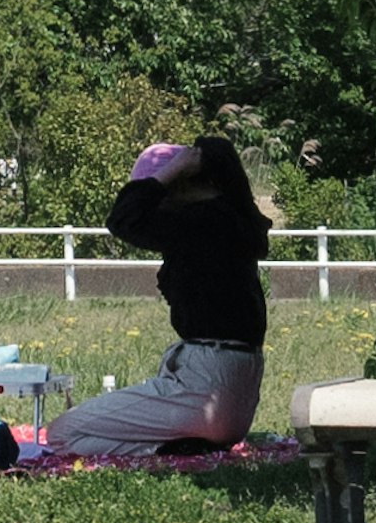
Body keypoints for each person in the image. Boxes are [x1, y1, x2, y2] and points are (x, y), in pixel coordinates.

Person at [41, 136, 272, 457]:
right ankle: (178, 448)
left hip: (206, 384)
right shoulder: (230, 222)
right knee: (77, 436)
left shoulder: (202, 222)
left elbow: (123, 219)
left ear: (180, 184)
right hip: (233, 395)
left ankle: (172, 449)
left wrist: (165, 175)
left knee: (63, 434)